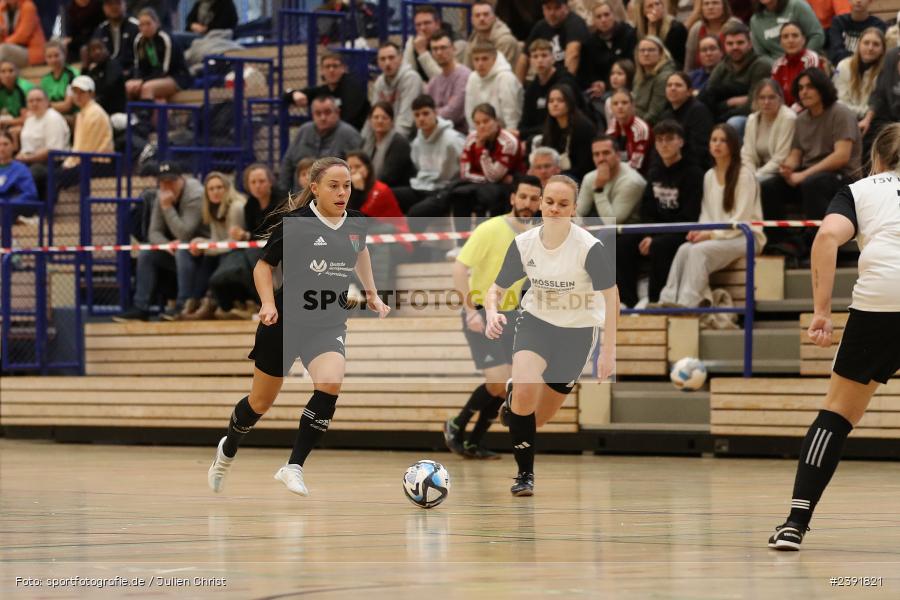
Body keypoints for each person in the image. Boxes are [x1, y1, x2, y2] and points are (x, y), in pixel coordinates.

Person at [207, 157, 391, 497]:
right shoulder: (297, 223)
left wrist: (372, 294)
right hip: (285, 322)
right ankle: (228, 448)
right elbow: (263, 267)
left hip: (327, 323)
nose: (342, 192)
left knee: (331, 381)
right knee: (259, 404)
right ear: (315, 188)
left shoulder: (357, 223)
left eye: (347, 185)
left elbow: (360, 252)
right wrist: (267, 304)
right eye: (333, 186)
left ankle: (293, 466)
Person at [767, 123, 900, 552]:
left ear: (877, 159)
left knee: (837, 415)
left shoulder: (859, 190)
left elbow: (826, 237)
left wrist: (822, 312)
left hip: (879, 303)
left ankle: (794, 522)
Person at [485, 174, 619, 496]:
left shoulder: (589, 247)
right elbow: (496, 288)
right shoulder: (524, 244)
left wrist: (608, 350)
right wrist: (491, 313)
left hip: (577, 332)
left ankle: (514, 406)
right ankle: (524, 476)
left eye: (563, 204)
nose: (554, 209)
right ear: (541, 203)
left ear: (573, 209)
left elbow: (612, 298)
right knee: (526, 392)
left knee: (539, 418)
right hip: (535, 322)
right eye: (549, 202)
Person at [444, 175, 542, 459]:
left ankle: (474, 442)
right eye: (522, 196)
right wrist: (470, 311)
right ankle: (455, 425)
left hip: (514, 316)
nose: (527, 203)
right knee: (498, 381)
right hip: (483, 314)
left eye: (534, 198)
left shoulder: (535, 236)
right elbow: (460, 269)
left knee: (506, 388)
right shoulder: (491, 229)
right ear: (512, 198)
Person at [658, 124, 766, 307]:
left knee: (699, 251)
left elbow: (741, 219)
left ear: (732, 145)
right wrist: (700, 232)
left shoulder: (744, 175)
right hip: (720, 236)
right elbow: (706, 213)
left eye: (723, 140)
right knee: (685, 248)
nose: (717, 144)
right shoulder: (709, 175)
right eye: (714, 140)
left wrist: (710, 235)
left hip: (746, 237)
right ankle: (667, 300)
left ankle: (688, 303)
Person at [408, 103, 521, 248]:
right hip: (481, 185)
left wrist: (482, 151)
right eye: (477, 123)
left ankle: (487, 245)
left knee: (486, 196)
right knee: (460, 194)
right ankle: (461, 246)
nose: (481, 126)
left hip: (506, 189)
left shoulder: (508, 142)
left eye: (486, 121)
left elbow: (494, 176)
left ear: (496, 121)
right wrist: (486, 179)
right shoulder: (471, 138)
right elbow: (466, 173)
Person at [761, 68, 862, 224]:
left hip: (843, 176)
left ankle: (815, 238)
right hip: (812, 175)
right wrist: (787, 168)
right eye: (800, 88)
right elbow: (796, 155)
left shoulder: (841, 112)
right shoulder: (801, 119)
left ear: (822, 88)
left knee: (813, 183)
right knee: (769, 186)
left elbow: (841, 157)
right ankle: (782, 242)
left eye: (810, 87)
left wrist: (804, 175)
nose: (804, 92)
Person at [622, 120, 704, 308]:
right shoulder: (654, 171)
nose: (664, 144)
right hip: (656, 231)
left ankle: (655, 302)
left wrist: (656, 237)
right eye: (659, 140)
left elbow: (690, 216)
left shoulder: (693, 173)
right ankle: (627, 301)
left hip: (681, 232)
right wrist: (649, 234)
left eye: (669, 139)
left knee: (659, 246)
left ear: (681, 142)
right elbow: (647, 209)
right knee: (623, 243)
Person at [113, 161, 207, 322]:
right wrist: (166, 244)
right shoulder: (162, 194)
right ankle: (141, 307)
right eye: (163, 182)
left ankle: (183, 304)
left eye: (171, 181)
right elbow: (153, 233)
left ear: (181, 180)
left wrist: (167, 207)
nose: (167, 186)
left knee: (182, 250)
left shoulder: (195, 195)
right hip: (179, 250)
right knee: (148, 253)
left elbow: (185, 233)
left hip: (205, 251)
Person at [210, 164, 286, 320]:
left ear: (270, 182)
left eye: (261, 181)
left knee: (254, 259)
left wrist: (247, 236)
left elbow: (280, 230)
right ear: (247, 185)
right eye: (253, 182)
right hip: (257, 247)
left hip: (281, 247)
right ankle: (235, 305)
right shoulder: (250, 204)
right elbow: (253, 233)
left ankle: (268, 305)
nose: (258, 186)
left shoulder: (282, 200)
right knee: (231, 265)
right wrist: (244, 235)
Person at [181, 171, 247, 321]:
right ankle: (194, 301)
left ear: (227, 188)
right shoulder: (211, 208)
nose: (215, 192)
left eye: (219, 187)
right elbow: (216, 239)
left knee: (217, 256)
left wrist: (207, 246)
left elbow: (234, 242)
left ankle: (211, 303)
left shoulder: (236, 206)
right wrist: (200, 242)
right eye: (211, 189)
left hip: (240, 252)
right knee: (208, 258)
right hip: (224, 249)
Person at [346, 150, 412, 287]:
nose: (353, 172)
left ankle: (373, 298)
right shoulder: (346, 193)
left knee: (372, 249)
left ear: (368, 168)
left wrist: (357, 191)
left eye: (358, 167)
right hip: (369, 241)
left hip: (397, 242)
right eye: (349, 168)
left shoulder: (380, 190)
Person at [392, 94, 465, 214]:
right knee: (387, 195)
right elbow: (417, 165)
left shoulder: (453, 139)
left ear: (435, 113)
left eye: (425, 113)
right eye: (417, 115)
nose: (421, 118)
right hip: (422, 186)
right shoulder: (416, 142)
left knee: (415, 213)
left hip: (444, 190)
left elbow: (466, 166)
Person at [278, 95, 363, 195]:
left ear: (337, 112)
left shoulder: (349, 134)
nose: (323, 117)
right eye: (318, 113)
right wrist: (284, 194)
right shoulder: (304, 131)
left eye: (327, 112)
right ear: (312, 115)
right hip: (300, 197)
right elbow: (287, 164)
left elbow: (358, 169)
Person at [699, 22, 773, 131]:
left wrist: (720, 110)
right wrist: (730, 103)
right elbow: (706, 95)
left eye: (740, 43)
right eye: (730, 43)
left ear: (750, 44)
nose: (735, 47)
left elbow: (754, 104)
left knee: (733, 123)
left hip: (754, 117)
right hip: (724, 114)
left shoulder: (761, 65)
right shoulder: (723, 65)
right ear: (724, 46)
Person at [283, 52, 369, 132]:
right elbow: (285, 95)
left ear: (343, 69)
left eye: (335, 66)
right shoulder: (324, 90)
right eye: (327, 67)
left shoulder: (352, 87)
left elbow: (349, 117)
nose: (331, 70)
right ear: (322, 71)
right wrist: (293, 93)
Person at [520, 39, 583, 142]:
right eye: (535, 56)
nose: (539, 60)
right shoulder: (531, 89)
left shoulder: (565, 82)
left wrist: (526, 133)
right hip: (540, 135)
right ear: (530, 61)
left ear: (553, 58)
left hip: (569, 135)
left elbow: (563, 122)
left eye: (544, 55)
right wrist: (519, 133)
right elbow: (525, 121)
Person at [576, 134, 647, 224]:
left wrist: (599, 190)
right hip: (602, 225)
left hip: (629, 230)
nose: (601, 159)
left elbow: (613, 222)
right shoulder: (590, 177)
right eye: (596, 154)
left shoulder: (632, 181)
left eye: (606, 153)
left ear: (618, 155)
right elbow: (578, 211)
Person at [126, 8, 192, 103]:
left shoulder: (165, 39)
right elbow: (138, 66)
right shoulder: (138, 40)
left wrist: (142, 81)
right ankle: (129, 116)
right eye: (141, 25)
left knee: (147, 88)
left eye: (148, 24)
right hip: (152, 77)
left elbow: (165, 70)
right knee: (128, 86)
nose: (144, 28)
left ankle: (144, 117)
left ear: (157, 23)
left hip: (176, 77)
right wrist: (136, 80)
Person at [17, 88, 70, 201]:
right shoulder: (30, 119)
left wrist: (28, 158)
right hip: (30, 161)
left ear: (47, 102)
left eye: (38, 100)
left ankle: (30, 212)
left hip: (52, 164)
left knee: (26, 175)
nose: (34, 103)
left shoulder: (53, 118)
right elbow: (26, 146)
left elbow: (52, 150)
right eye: (31, 101)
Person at [577, 0, 638, 99]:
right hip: (601, 91)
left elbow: (632, 65)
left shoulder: (628, 34)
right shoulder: (590, 43)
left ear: (613, 16)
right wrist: (596, 83)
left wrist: (609, 83)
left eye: (606, 15)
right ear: (594, 21)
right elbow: (588, 72)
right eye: (599, 17)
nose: (603, 20)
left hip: (628, 86)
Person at [517, 0, 590, 81]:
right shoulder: (540, 26)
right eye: (548, 8)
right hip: (548, 81)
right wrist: (517, 86)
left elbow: (573, 55)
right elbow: (524, 58)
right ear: (543, 9)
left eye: (557, 8)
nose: (552, 13)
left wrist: (563, 86)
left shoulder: (575, 23)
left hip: (576, 83)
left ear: (566, 7)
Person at [740, 78, 797, 180]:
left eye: (771, 97)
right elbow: (746, 155)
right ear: (756, 100)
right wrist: (751, 174)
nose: (766, 102)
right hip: (756, 171)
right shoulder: (752, 119)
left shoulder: (788, 118)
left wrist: (756, 176)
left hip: (778, 173)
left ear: (779, 99)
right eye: (762, 98)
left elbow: (781, 157)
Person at [537, 84, 597, 180]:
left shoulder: (583, 127)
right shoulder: (550, 126)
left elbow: (585, 165)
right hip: (556, 174)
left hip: (581, 177)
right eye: (551, 101)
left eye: (560, 100)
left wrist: (556, 175)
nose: (555, 104)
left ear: (570, 102)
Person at [59, 76, 114, 178]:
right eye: (75, 92)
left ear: (91, 94)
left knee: (55, 177)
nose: (77, 96)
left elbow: (87, 147)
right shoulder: (82, 114)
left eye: (82, 92)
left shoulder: (94, 113)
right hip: (87, 161)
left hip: (98, 163)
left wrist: (69, 164)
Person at [658, 71, 714, 170]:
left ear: (689, 91)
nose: (673, 88)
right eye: (669, 85)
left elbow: (700, 150)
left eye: (678, 85)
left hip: (693, 168)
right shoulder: (665, 115)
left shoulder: (699, 111)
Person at [464, 42, 523, 133]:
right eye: (476, 59)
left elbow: (512, 118)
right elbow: (469, 112)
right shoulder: (472, 78)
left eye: (485, 59)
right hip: (481, 131)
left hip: (505, 132)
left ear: (494, 59)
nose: (480, 63)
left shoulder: (506, 77)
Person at [371, 42, 424, 138]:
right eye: (382, 59)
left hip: (410, 139)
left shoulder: (411, 78)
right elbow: (373, 118)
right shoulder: (379, 82)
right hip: (386, 135)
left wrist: (388, 146)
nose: (387, 63)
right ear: (378, 63)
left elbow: (405, 123)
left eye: (391, 58)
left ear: (400, 58)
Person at [832, 27, 885, 120]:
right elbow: (839, 100)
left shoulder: (885, 70)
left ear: (882, 50)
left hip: (873, 121)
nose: (870, 48)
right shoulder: (843, 66)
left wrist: (868, 115)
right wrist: (864, 113)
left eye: (876, 44)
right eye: (866, 43)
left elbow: (880, 106)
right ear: (859, 45)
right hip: (845, 118)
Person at [402, 5, 465, 82]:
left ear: (437, 24)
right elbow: (408, 74)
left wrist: (422, 52)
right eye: (418, 25)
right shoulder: (413, 41)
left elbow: (443, 79)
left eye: (427, 23)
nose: (422, 28)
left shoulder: (457, 43)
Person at [425, 31, 471, 133]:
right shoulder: (434, 80)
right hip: (436, 132)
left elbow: (454, 113)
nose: (439, 53)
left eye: (443, 48)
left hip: (460, 134)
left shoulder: (464, 75)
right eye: (435, 49)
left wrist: (430, 115)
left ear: (453, 49)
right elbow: (424, 108)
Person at [361, 102, 415, 189]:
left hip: (396, 189)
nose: (380, 121)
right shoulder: (367, 141)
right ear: (370, 121)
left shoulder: (399, 143)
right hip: (373, 186)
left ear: (392, 122)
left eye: (384, 118)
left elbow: (387, 177)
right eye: (376, 117)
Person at [771, 22, 824, 107]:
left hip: (808, 111)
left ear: (803, 40)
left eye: (795, 36)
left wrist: (789, 113)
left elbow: (811, 95)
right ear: (780, 42)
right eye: (785, 37)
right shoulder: (778, 65)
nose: (790, 40)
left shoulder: (811, 59)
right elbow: (774, 95)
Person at [750, 0, 824, 60]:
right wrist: (778, 68)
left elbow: (817, 35)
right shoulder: (755, 21)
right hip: (778, 71)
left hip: (808, 63)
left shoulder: (797, 5)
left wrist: (803, 60)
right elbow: (761, 55)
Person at [685, 0, 742, 72]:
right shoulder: (696, 28)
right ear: (701, 8)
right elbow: (689, 63)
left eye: (715, 3)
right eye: (706, 4)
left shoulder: (735, 24)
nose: (710, 7)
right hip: (703, 76)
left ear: (724, 6)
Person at [463, 0, 521, 70]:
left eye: (486, 14)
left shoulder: (505, 40)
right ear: (472, 20)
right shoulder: (473, 39)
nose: (482, 18)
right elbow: (467, 70)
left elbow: (501, 72)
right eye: (477, 15)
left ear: (494, 17)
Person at [606, 89, 653, 173]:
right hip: (619, 170)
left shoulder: (641, 128)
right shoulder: (613, 124)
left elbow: (636, 165)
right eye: (615, 103)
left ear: (632, 106)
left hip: (639, 174)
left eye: (624, 103)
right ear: (611, 108)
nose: (620, 106)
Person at [633, 36, 677, 125]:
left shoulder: (664, 77)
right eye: (642, 50)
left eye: (651, 50)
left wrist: (633, 125)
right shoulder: (639, 75)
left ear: (661, 53)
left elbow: (654, 115)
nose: (646, 54)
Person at [828, 0, 887, 65]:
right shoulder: (838, 22)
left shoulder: (878, 25)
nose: (858, 1)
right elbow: (836, 52)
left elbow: (876, 55)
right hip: (843, 66)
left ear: (870, 1)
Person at [93, 0, 140, 80]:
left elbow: (141, 59)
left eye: (118, 3)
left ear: (125, 4)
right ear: (104, 8)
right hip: (107, 74)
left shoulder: (136, 26)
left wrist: (131, 72)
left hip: (130, 73)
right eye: (110, 4)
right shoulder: (101, 29)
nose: (114, 7)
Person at [635, 0, 688, 68]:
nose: (655, 9)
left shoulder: (676, 29)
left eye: (657, 4)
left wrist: (652, 30)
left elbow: (673, 60)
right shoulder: (639, 30)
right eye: (650, 6)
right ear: (643, 11)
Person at [0, 129, 39, 222]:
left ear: (13, 146)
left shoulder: (21, 169)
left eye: (6, 144)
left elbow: (30, 194)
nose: (2, 148)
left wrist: (7, 203)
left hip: (10, 207)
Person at [85, 36, 126, 116]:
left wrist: (92, 101)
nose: (97, 52)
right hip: (99, 112)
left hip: (117, 113)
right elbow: (85, 87)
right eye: (93, 50)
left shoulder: (114, 65)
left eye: (100, 48)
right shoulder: (93, 71)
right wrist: (84, 66)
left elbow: (108, 88)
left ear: (106, 49)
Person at [0, 0, 47, 68]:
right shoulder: (2, 8)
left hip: (31, 53)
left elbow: (23, 36)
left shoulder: (28, 7)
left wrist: (4, 43)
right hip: (11, 49)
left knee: (4, 49)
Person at [40, 40, 79, 117]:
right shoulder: (45, 79)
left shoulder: (72, 75)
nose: (53, 60)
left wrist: (47, 105)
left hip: (71, 116)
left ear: (64, 54)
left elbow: (67, 106)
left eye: (56, 55)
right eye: (49, 57)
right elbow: (41, 103)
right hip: (51, 114)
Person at [601, 58, 635, 127]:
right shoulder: (608, 100)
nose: (614, 77)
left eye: (620, 74)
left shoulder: (634, 97)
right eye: (612, 74)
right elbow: (610, 125)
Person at [0, 60, 33, 129]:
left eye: (11, 71)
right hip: (10, 121)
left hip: (29, 123)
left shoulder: (24, 88)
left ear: (17, 73)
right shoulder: (2, 89)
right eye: (3, 71)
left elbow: (28, 118)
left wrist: (6, 122)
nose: (7, 75)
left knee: (15, 130)